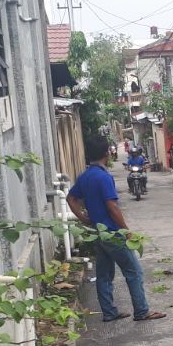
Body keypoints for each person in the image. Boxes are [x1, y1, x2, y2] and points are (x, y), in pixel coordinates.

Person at [66, 137, 166, 323]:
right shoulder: (104, 177)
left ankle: (109, 312)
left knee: (104, 274)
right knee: (133, 271)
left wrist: (83, 217)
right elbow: (112, 206)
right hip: (112, 233)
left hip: (98, 232)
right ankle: (141, 311)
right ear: (107, 153)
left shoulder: (85, 176)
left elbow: (70, 198)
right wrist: (126, 231)